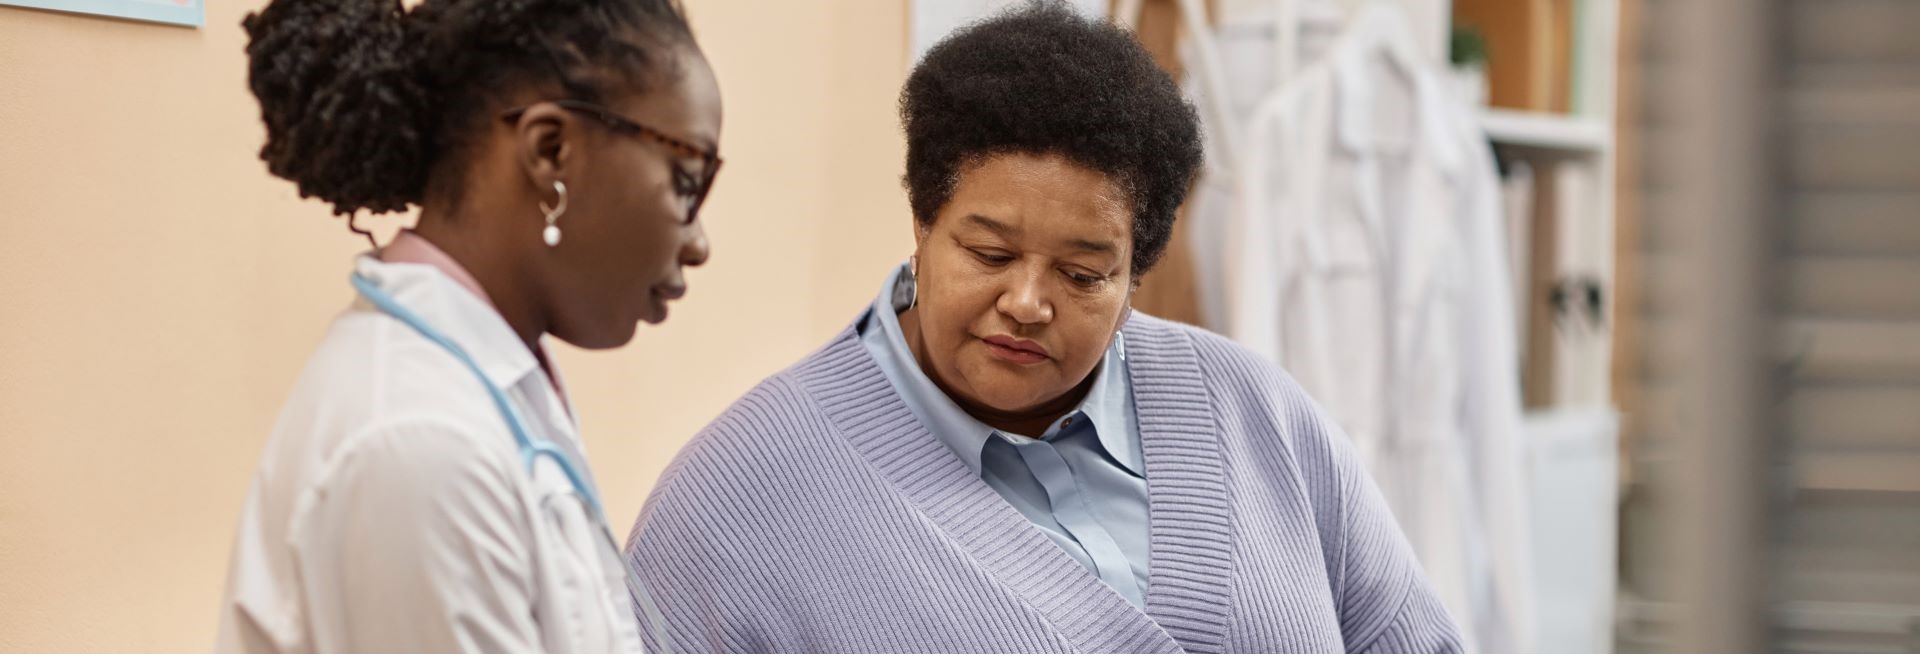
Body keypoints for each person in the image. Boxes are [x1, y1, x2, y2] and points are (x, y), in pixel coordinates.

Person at [624, 4, 1461, 652]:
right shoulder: (733, 504)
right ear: (922, 224)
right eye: (989, 254)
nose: (1027, 302)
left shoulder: (1254, 415)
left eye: (1083, 274)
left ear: (1134, 280)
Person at [215, 0, 719, 652]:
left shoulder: (486, 384)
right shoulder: (423, 442)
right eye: (686, 180)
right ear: (551, 151)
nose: (699, 243)